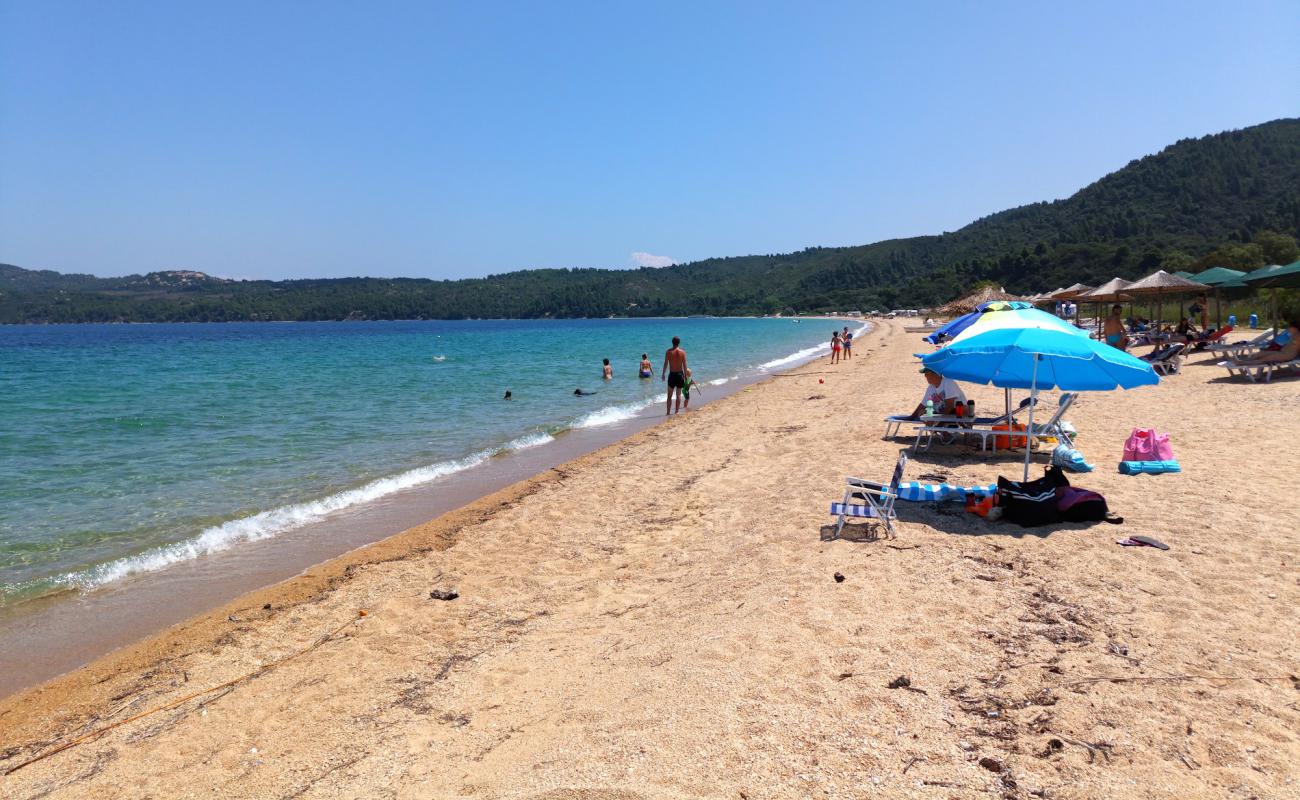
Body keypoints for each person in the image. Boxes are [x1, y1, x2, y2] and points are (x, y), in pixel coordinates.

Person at [1230, 321, 1300, 365]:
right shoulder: (1291, 335)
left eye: (1291, 327)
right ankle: (1243, 360)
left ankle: (1241, 363)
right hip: (1280, 351)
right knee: (1259, 354)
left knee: (1264, 359)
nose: (1289, 328)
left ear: (1295, 328)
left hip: (1287, 355)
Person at [661, 336, 688, 415]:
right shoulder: (682, 352)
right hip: (680, 374)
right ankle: (676, 412)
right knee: (678, 394)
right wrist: (686, 376)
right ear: (679, 342)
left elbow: (666, 363)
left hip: (672, 375)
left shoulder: (668, 352)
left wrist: (663, 373)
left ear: (672, 342)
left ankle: (668, 412)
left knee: (669, 395)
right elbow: (685, 365)